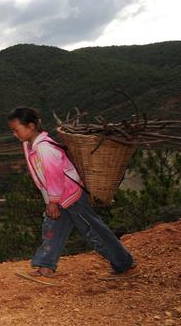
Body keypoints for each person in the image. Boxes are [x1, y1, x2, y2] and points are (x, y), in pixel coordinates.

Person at [7, 107, 137, 278]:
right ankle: (46, 267)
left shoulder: (44, 148)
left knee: (93, 230)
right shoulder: (33, 146)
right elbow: (42, 179)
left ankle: (124, 264)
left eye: (16, 130)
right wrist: (50, 202)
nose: (14, 134)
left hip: (72, 197)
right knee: (53, 229)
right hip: (60, 197)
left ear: (31, 126)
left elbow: (54, 176)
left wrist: (52, 201)